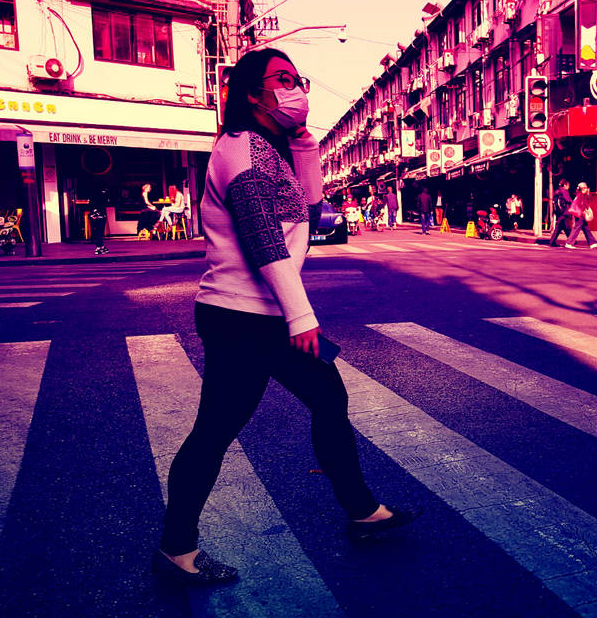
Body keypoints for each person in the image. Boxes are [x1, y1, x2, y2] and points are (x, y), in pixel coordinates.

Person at [154, 48, 416, 586]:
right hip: (244, 316)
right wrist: (301, 318)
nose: (295, 88)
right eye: (282, 80)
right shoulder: (243, 149)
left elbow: (312, 207)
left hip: (266, 312)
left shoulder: (268, 148)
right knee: (216, 429)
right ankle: (176, 549)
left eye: (299, 79)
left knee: (329, 398)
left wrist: (304, 139)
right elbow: (263, 241)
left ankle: (363, 512)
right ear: (252, 93)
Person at [564, 182, 597, 249]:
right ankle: (569, 243)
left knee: (586, 229)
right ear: (583, 188)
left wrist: (588, 194)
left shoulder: (582, 195)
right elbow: (581, 204)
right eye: (585, 187)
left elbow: (587, 201)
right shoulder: (580, 195)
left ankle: (592, 243)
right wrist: (584, 210)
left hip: (581, 214)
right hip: (580, 214)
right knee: (577, 228)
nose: (586, 189)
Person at [546, 179, 574, 246]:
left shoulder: (557, 191)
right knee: (565, 227)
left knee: (560, 227)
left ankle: (552, 242)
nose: (569, 187)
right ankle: (571, 241)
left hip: (559, 212)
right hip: (564, 212)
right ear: (564, 185)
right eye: (568, 185)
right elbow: (569, 200)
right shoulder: (564, 191)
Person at [89, 185, 110, 255]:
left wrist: (94, 212)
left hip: (95, 215)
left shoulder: (92, 196)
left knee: (97, 231)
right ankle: (99, 247)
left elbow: (91, 204)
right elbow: (105, 203)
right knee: (100, 232)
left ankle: (100, 246)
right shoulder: (103, 195)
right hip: (101, 215)